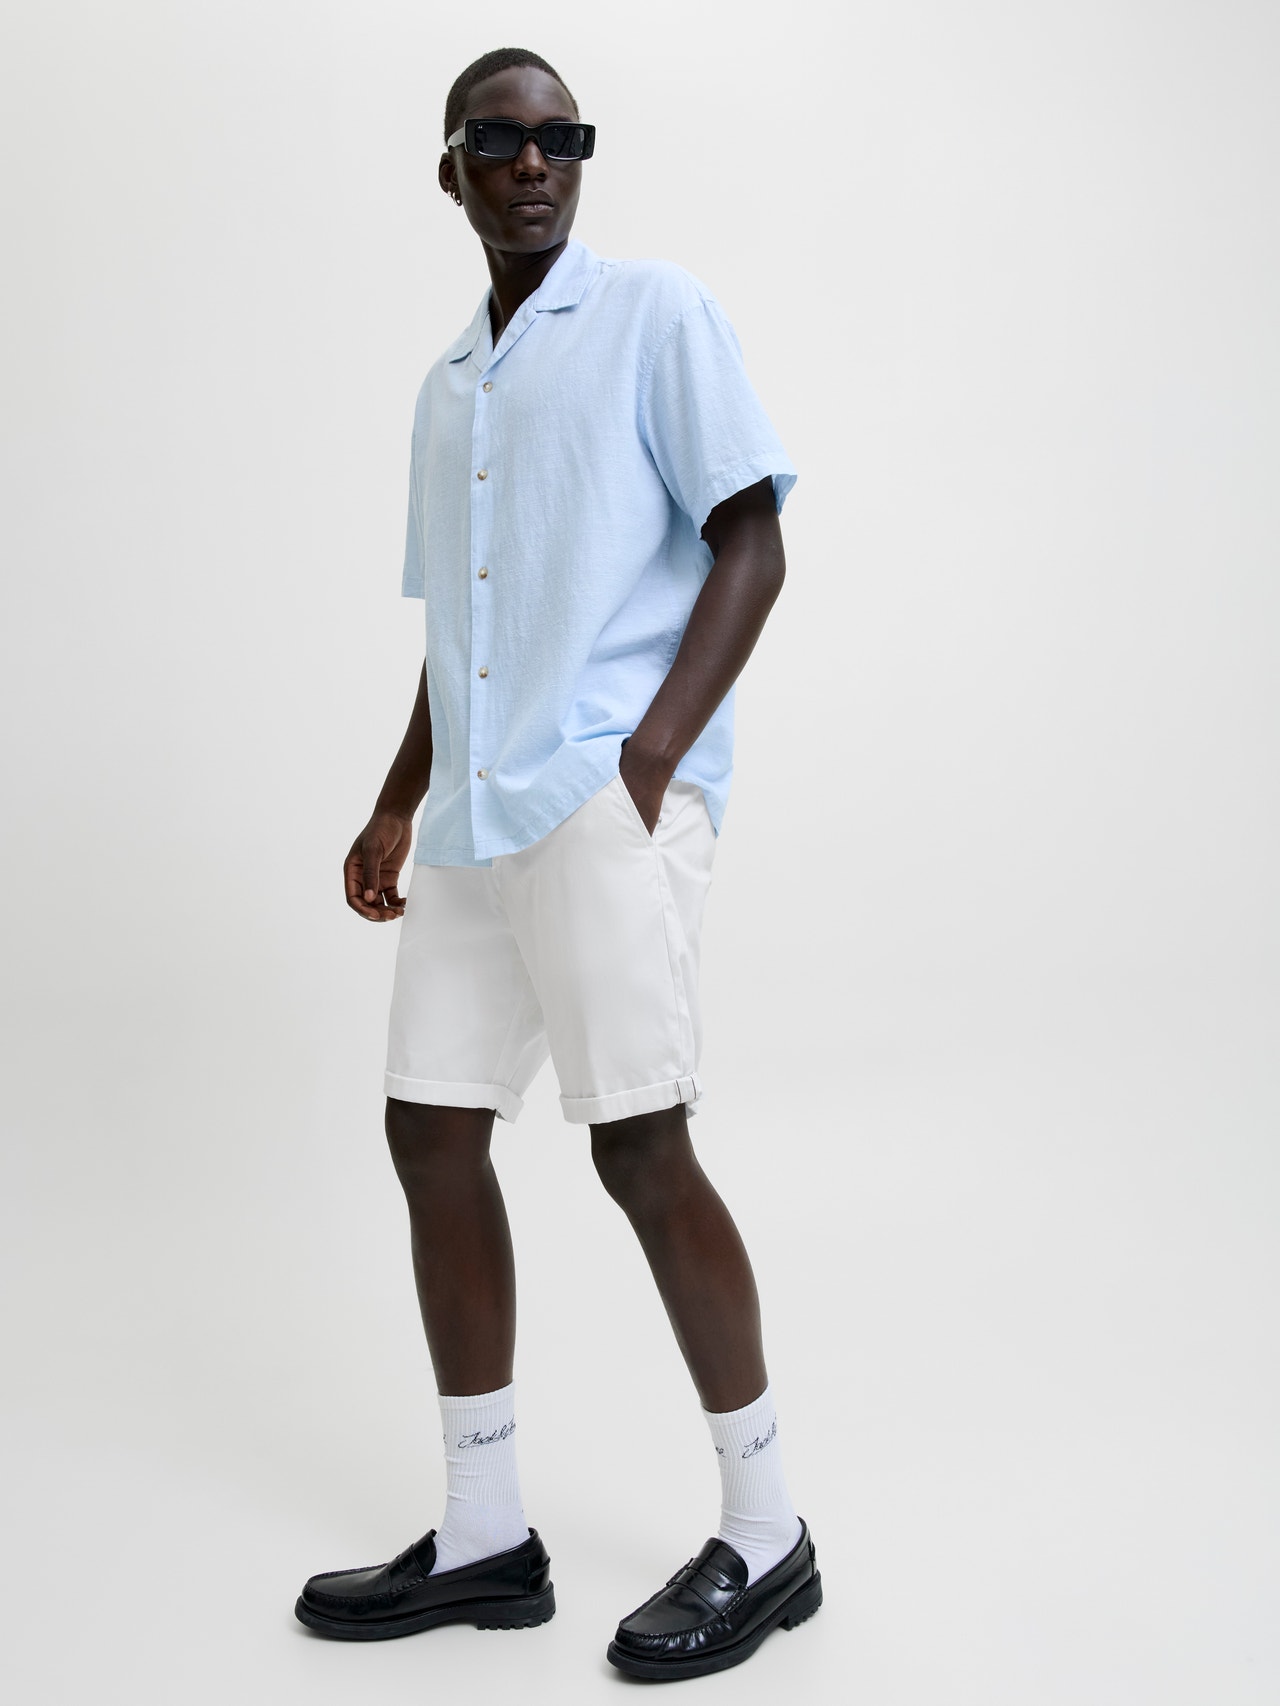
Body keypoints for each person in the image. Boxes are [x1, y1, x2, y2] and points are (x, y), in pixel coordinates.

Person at [293, 46, 822, 1680]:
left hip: (598, 795)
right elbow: (465, 630)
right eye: (500, 140)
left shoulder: (657, 315)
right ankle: (484, 1533)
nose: (534, 163)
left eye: (561, 139)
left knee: (639, 1146)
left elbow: (754, 539)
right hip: (474, 812)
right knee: (430, 1130)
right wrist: (397, 800)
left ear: (580, 162)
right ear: (452, 171)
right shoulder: (450, 385)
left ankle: (768, 1530)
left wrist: (644, 764)